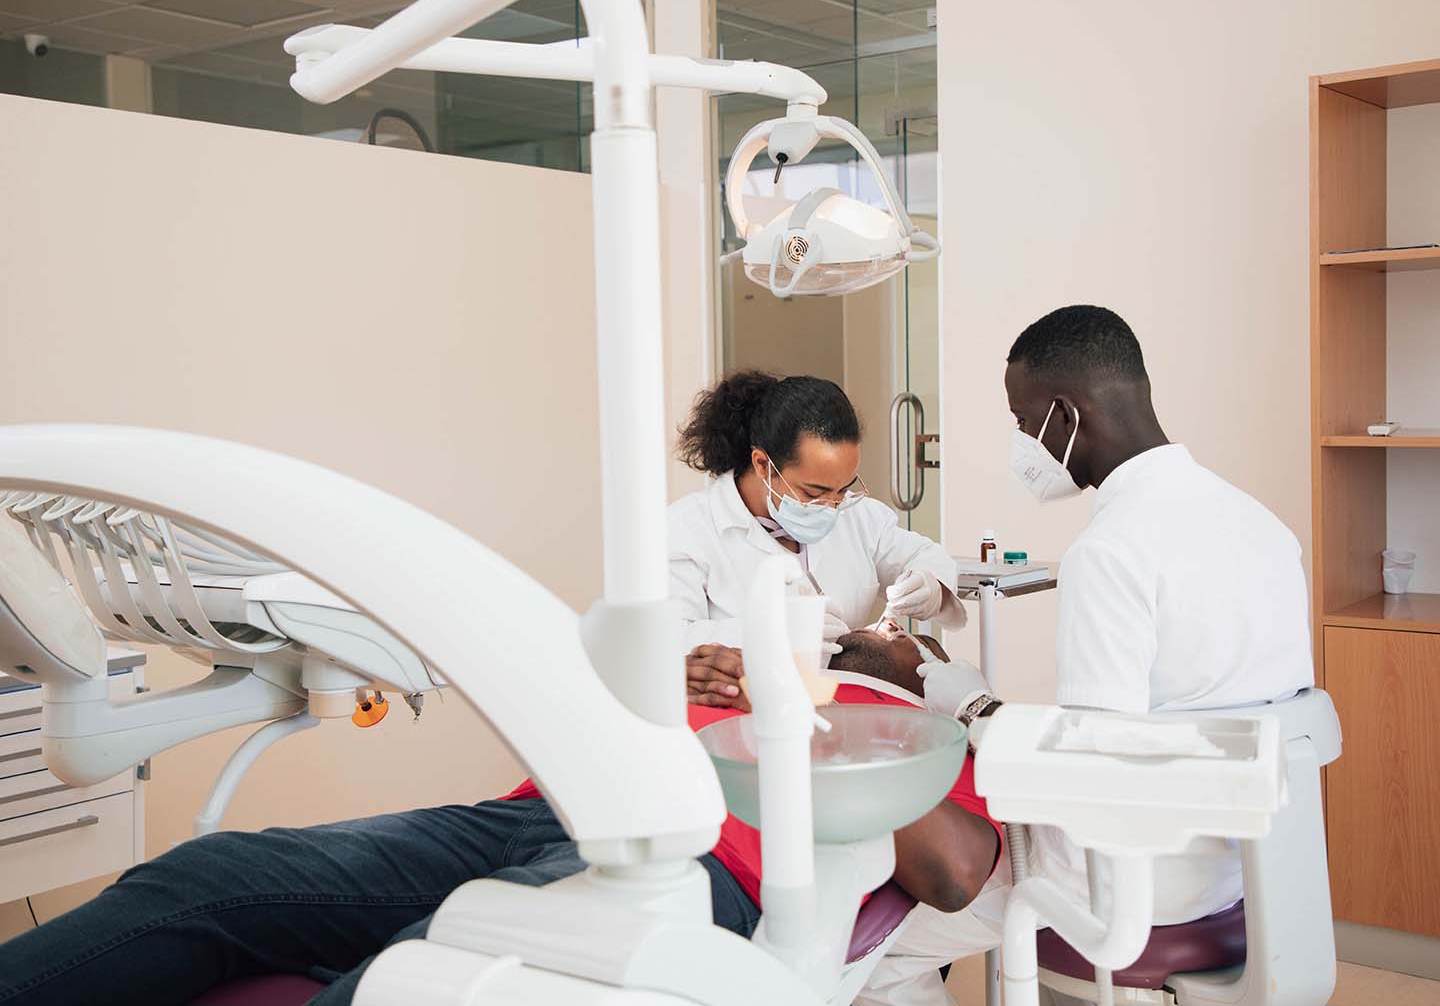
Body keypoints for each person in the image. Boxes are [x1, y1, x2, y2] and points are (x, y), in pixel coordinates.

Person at [0, 637, 999, 1006]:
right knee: (214, 876)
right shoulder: (735, 660)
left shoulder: (923, 735)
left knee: (430, 969)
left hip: (691, 863)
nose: (865, 628)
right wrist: (662, 679)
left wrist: (811, 716)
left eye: (888, 633)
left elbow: (956, 872)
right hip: (538, 810)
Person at [862, 305, 1316, 1005]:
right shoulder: (1263, 525)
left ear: (1064, 417)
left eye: (1023, 422)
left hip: (1135, 880)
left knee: (869, 943)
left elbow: (1092, 773)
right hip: (1243, 866)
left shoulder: (1109, 552)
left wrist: (967, 704)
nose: (1022, 442)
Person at [672, 371, 966, 696]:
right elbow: (668, 641)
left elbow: (925, 556)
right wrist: (772, 631)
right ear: (762, 464)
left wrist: (931, 585)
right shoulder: (688, 528)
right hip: (750, 707)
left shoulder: (858, 516)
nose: (832, 506)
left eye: (843, 488)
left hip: (844, 702)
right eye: (814, 492)